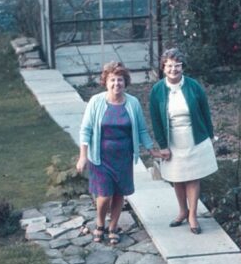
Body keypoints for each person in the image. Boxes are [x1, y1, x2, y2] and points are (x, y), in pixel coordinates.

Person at [77, 61, 160, 245]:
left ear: (125, 82)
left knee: (119, 194)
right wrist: (83, 156)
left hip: (124, 157)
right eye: (112, 80)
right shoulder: (96, 102)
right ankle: (100, 223)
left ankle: (113, 226)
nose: (116, 84)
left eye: (120, 80)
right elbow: (86, 130)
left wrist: (151, 149)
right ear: (106, 82)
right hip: (100, 157)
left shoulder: (133, 103)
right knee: (104, 195)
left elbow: (141, 130)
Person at [149, 48, 217, 235]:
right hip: (172, 140)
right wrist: (163, 145)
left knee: (193, 177)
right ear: (163, 68)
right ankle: (182, 211)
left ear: (182, 67)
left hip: (194, 137)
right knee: (177, 178)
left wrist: (210, 135)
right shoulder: (156, 91)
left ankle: (193, 215)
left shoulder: (194, 86)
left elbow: (205, 112)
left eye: (177, 65)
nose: (173, 69)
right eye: (169, 66)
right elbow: (155, 119)